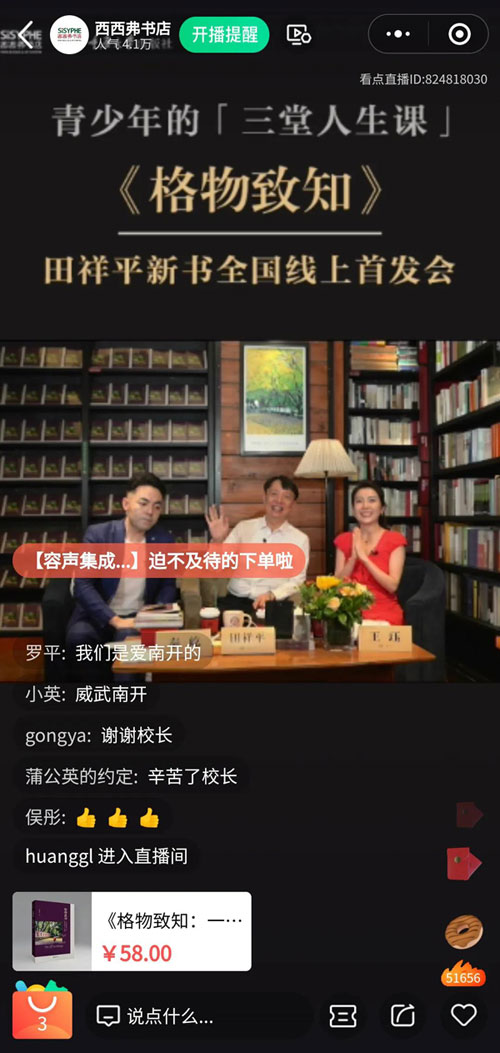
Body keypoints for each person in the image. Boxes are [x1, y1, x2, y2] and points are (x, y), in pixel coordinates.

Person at [66, 474, 176, 670]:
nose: (150, 512)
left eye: (157, 507)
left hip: (136, 618)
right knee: (79, 637)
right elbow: (83, 585)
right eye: (143, 503)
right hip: (96, 616)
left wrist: (153, 615)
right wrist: (115, 620)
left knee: (129, 645)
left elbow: (168, 585)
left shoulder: (164, 541)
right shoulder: (98, 535)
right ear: (126, 504)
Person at [205, 475, 310, 615]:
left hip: (272, 604)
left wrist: (272, 595)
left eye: (286, 497)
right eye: (274, 494)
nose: (279, 500)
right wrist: (217, 541)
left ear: (293, 504)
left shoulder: (300, 539)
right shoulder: (243, 528)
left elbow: (297, 582)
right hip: (235, 602)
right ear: (264, 498)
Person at [334, 482, 407, 625]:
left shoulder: (395, 540)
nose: (365, 506)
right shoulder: (343, 540)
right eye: (359, 501)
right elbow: (336, 586)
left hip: (384, 612)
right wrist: (353, 559)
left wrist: (364, 559)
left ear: (382, 509)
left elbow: (392, 586)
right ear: (353, 509)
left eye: (372, 500)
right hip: (349, 611)